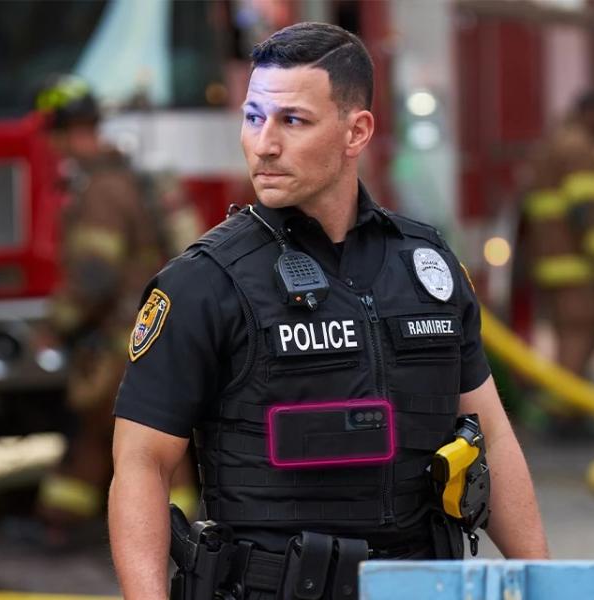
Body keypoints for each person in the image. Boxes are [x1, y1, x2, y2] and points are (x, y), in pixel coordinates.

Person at [110, 22, 548, 600]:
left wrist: (544, 583)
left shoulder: (428, 270)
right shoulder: (201, 284)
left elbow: (490, 435)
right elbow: (140, 466)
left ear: (356, 131)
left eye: (292, 121)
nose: (263, 143)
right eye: (252, 117)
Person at [32, 74, 193, 544]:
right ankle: (60, 521)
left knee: (131, 436)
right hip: (151, 329)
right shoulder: (129, 179)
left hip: (121, 337)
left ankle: (170, 535)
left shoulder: (101, 191)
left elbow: (94, 277)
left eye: (57, 137)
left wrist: (55, 328)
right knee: (106, 431)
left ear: (68, 134)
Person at [515, 91, 594, 434]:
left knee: (567, 333)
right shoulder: (579, 148)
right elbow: (583, 210)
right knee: (582, 330)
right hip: (576, 263)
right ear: (592, 112)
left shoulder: (551, 145)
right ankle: (566, 413)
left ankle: (568, 407)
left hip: (549, 262)